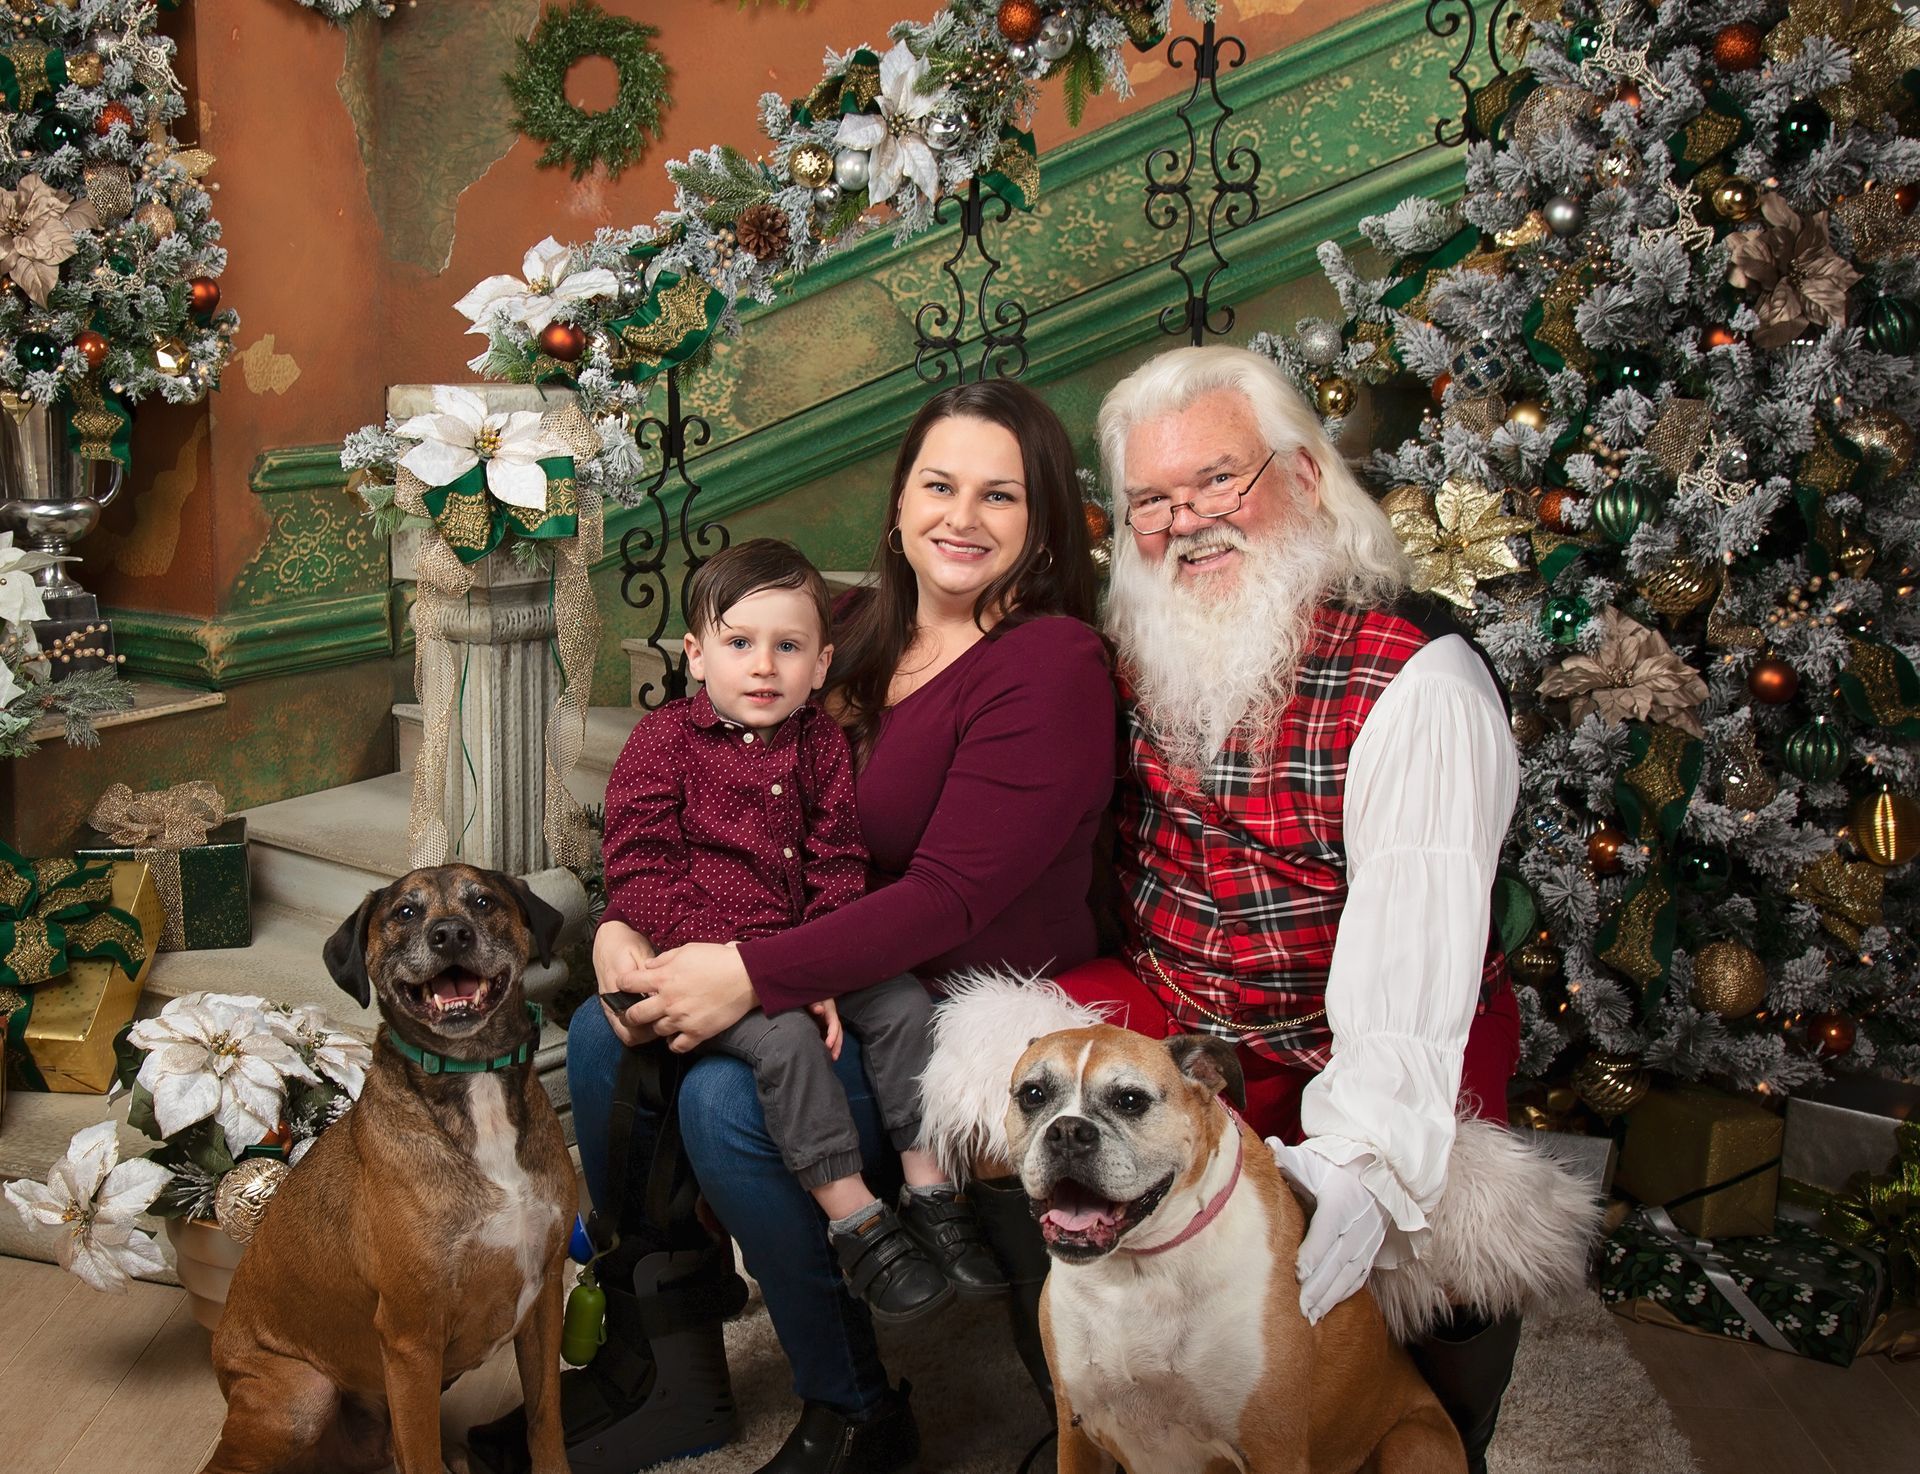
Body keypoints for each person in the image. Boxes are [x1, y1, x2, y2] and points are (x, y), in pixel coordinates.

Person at [523, 380, 1114, 1474]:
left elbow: (946, 900)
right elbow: (700, 799)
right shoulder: (837, 628)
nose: (962, 517)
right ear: (899, 500)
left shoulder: (1049, 665)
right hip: (819, 948)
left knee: (726, 1100)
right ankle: (667, 1362)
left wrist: (755, 972)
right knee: (613, 1024)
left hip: (950, 986)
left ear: (1041, 527)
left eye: (1001, 495)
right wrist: (623, 925)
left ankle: (852, 1402)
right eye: (939, 484)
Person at [1050, 345, 1526, 1473]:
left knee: (1416, 1250)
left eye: (1220, 479)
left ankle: (1432, 1428)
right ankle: (1119, 1419)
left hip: (1365, 1028)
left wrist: (1359, 1156)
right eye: (1152, 500)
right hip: (1187, 1012)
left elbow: (1415, 948)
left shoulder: (1418, 678)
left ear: (1306, 478)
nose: (1186, 521)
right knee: (1005, 1088)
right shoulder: (1131, 650)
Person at [598, 537, 999, 1325]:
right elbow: (639, 868)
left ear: (820, 665)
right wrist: (749, 964)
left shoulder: (820, 743)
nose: (763, 667)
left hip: (811, 949)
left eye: (788, 648)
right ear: (695, 654)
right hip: (702, 965)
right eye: (740, 644)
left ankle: (930, 1188)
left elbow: (838, 858)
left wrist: (813, 963)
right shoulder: (662, 744)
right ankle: (856, 1219)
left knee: (905, 1005)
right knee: (784, 1044)